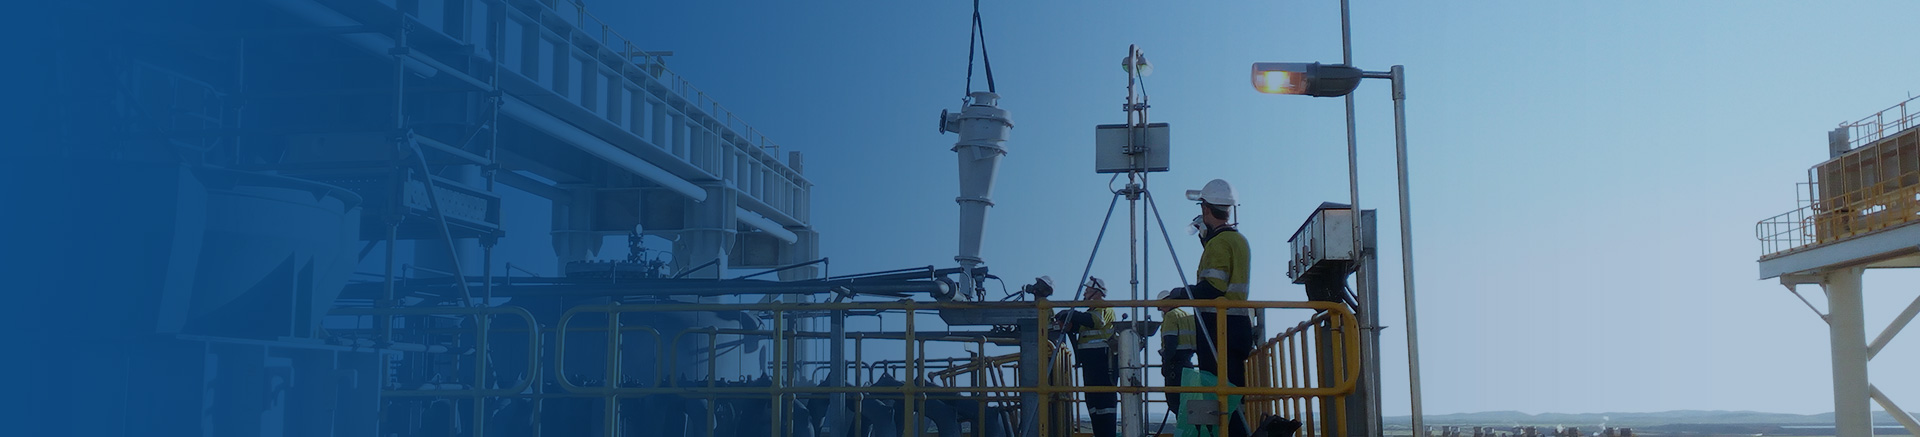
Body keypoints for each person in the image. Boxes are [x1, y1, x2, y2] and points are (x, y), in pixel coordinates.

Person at [1185, 178, 1254, 437]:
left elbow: (1213, 287)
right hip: (1237, 328)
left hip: (1218, 329)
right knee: (1232, 397)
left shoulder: (1219, 243)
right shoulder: (1239, 240)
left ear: (1205, 209)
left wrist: (1180, 293)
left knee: (1219, 400)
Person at [1053, 277, 1117, 437]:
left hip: (1102, 361)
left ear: (1097, 292)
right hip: (1090, 362)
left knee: (1104, 403)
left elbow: (1094, 322)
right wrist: (1067, 322)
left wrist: (1070, 313)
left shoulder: (1104, 308)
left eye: (1088, 290)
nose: (1084, 293)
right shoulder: (1089, 313)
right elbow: (1078, 327)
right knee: (1092, 402)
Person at [1156, 288, 1196, 411]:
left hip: (1174, 366)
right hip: (1188, 365)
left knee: (1175, 403)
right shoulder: (1188, 315)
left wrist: (1165, 361)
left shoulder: (1170, 316)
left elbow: (1170, 344)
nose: (1161, 311)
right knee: (1188, 403)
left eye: (1161, 307)